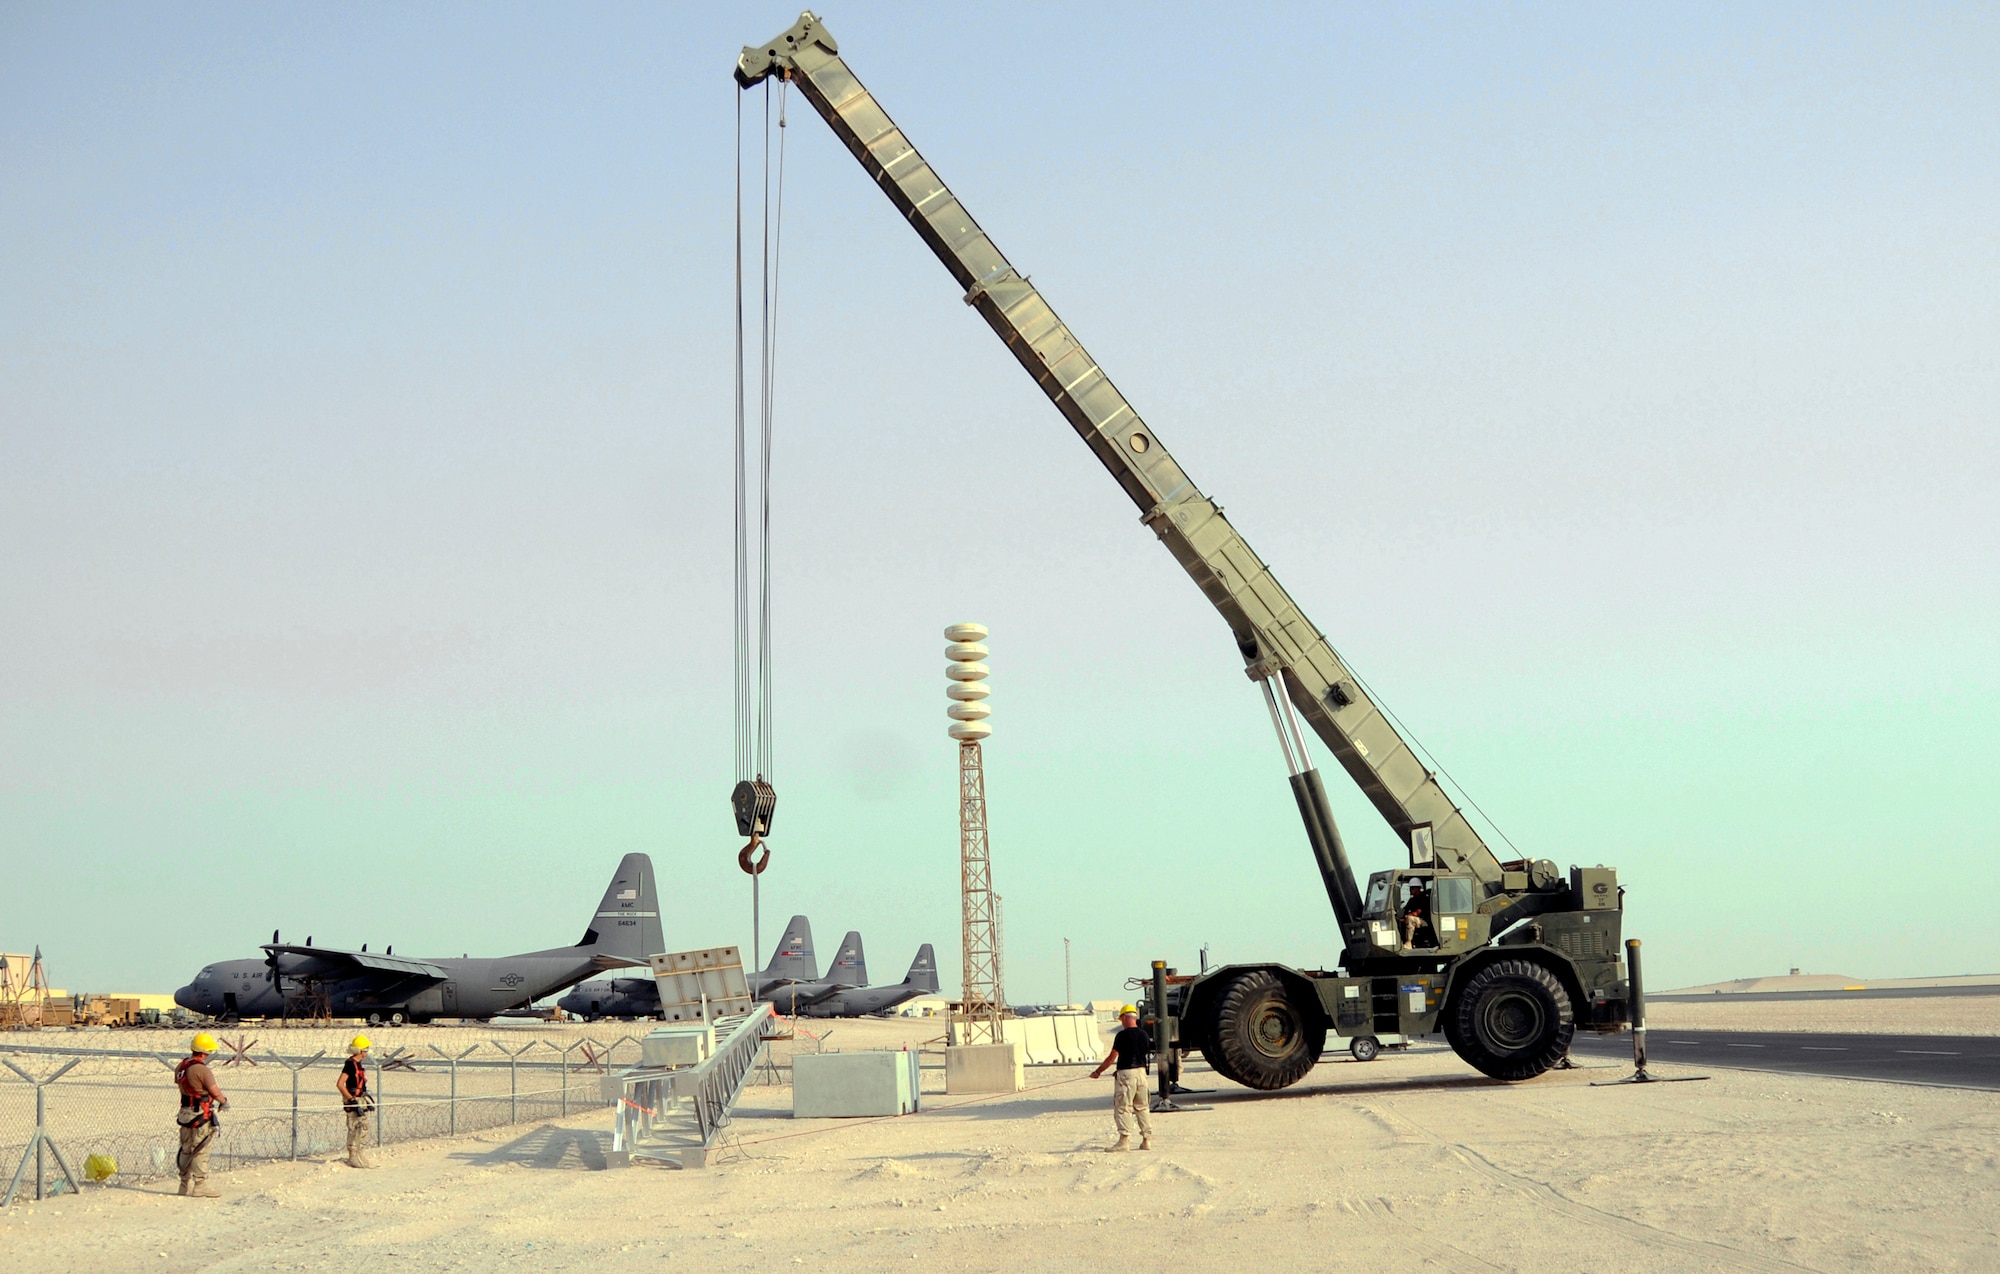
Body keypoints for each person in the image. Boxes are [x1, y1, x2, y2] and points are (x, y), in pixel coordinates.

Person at [1088, 1006, 1153, 1151]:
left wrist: (1098, 1071)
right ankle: (1146, 1140)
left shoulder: (1122, 1036)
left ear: (1125, 1017)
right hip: (1141, 1074)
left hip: (1126, 1075)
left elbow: (1112, 1057)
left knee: (1123, 1108)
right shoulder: (1144, 1034)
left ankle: (1124, 1141)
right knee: (1142, 1107)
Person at [173, 1032, 228, 1197]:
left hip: (185, 1112)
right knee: (200, 1149)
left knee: (185, 1149)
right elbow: (214, 1091)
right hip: (200, 1114)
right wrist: (223, 1101)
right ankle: (200, 1185)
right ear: (205, 1051)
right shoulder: (201, 1069)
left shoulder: (181, 1066)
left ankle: (183, 1185)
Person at [337, 1035, 375, 1168]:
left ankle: (360, 1153)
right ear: (360, 1050)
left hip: (360, 1098)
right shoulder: (350, 1065)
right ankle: (353, 1156)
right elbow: (340, 1084)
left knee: (363, 1127)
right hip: (353, 1099)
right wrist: (352, 1101)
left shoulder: (358, 1064)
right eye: (365, 1049)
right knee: (354, 1127)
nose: (367, 1051)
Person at [1400, 881, 1432, 947]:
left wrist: (1408, 915)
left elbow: (1416, 913)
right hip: (1415, 920)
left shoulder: (1423, 898)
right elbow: (1405, 910)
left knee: (1410, 919)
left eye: (1412, 888)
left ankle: (1408, 942)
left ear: (1417, 889)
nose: (1410, 890)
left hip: (1424, 921)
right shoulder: (1411, 900)